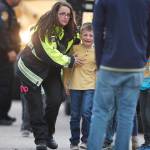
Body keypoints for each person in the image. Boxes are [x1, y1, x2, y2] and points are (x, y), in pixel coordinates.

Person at [16, 1, 84, 150]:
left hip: (50, 68)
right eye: (62, 14)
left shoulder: (71, 29)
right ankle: (41, 140)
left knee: (56, 99)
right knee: (36, 105)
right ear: (55, 14)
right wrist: (71, 61)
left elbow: (81, 41)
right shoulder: (46, 28)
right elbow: (51, 53)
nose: (65, 17)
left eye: (68, 14)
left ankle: (48, 135)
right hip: (30, 68)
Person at [87, 0, 150, 150]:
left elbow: (97, 30)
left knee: (101, 112)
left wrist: (100, 61)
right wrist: (143, 58)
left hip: (109, 63)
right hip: (135, 65)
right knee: (126, 115)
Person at [63, 22, 96, 150]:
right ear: (81, 36)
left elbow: (98, 70)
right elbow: (66, 67)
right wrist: (66, 84)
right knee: (75, 115)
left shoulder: (98, 52)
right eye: (85, 35)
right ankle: (74, 141)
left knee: (87, 113)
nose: (88, 37)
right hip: (75, 86)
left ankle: (86, 140)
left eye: (91, 35)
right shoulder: (75, 49)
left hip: (90, 86)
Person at [0, 0, 21, 125]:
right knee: (4, 84)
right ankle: (1, 115)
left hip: (5, 53)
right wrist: (9, 49)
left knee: (6, 84)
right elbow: (1, 31)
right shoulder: (3, 8)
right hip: (3, 54)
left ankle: (3, 114)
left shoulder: (7, 9)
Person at [137, 58, 150, 150]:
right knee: (143, 115)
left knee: (147, 115)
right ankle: (147, 142)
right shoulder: (140, 52)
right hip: (141, 87)